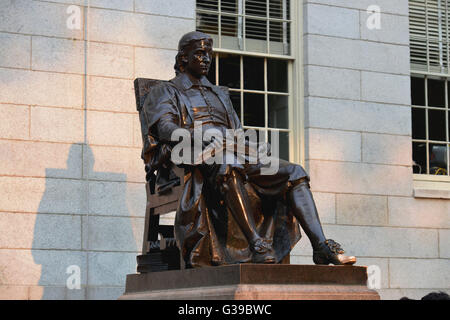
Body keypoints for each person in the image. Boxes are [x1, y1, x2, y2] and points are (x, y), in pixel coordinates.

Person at [142, 31, 356, 268]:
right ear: (183, 59)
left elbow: (238, 130)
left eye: (209, 54)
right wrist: (204, 137)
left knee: (295, 172)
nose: (206, 59)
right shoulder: (165, 91)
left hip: (234, 152)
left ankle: (321, 247)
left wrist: (249, 144)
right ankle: (257, 244)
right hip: (193, 157)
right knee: (228, 164)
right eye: (200, 53)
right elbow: (165, 129)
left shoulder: (219, 93)